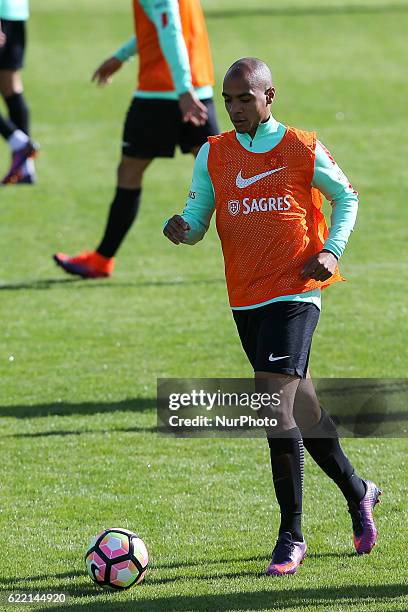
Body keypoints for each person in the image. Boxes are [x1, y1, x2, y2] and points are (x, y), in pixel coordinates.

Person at [164, 57, 381, 576]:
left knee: (271, 403)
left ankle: (291, 535)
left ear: (269, 96)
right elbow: (198, 216)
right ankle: (359, 491)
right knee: (302, 407)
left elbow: (346, 197)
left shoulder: (302, 146)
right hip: (246, 298)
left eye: (245, 98)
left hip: (296, 292)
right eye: (229, 100)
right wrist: (183, 228)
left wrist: (333, 250)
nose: (236, 108)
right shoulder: (213, 153)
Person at [54, 0, 218, 279]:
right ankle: (265, 258)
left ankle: (102, 259)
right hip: (195, 89)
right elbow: (163, 24)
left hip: (165, 94)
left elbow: (171, 29)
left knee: (130, 172)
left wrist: (182, 90)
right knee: (221, 175)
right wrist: (123, 55)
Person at [0, 0, 38, 184]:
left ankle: (20, 143)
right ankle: (24, 169)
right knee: (11, 86)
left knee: (11, 85)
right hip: (15, 11)